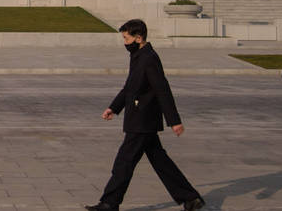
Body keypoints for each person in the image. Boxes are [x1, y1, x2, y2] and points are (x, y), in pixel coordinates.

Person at [86, 19, 204, 211]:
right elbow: (130, 87)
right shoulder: (139, 55)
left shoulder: (149, 58)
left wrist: (174, 121)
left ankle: (109, 203)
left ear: (138, 38)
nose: (124, 42)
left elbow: (162, 89)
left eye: (126, 38)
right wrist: (114, 108)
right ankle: (190, 198)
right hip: (141, 120)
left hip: (142, 120)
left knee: (124, 162)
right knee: (161, 162)